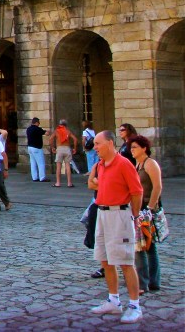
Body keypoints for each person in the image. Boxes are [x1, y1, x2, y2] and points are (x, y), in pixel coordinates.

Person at [87, 130, 144, 323]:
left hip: (119, 214)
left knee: (126, 261)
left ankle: (135, 305)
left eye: (97, 143)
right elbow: (95, 185)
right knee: (105, 260)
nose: (95, 147)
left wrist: (134, 216)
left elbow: (137, 192)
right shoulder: (101, 165)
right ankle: (114, 300)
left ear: (110, 143)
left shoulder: (124, 164)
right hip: (102, 213)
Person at [129, 135, 162, 293]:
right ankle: (147, 281)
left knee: (146, 246)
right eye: (131, 147)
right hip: (139, 208)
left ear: (144, 148)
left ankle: (147, 283)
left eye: (135, 147)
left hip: (147, 209)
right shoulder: (138, 164)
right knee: (142, 246)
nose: (132, 150)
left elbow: (157, 186)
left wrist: (150, 207)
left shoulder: (150, 163)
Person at [49, 119, 78, 187]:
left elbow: (50, 139)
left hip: (59, 148)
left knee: (58, 166)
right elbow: (75, 139)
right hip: (67, 148)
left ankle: (58, 183)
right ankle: (69, 183)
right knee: (68, 166)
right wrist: (74, 148)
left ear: (60, 124)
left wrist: (52, 147)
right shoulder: (68, 131)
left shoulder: (57, 131)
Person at [25, 117, 49, 182]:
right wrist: (47, 131)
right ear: (36, 122)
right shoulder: (37, 129)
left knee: (33, 163)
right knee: (41, 163)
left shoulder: (28, 129)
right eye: (38, 122)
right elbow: (46, 133)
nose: (39, 124)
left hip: (30, 147)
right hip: (37, 148)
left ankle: (34, 177)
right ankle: (42, 177)